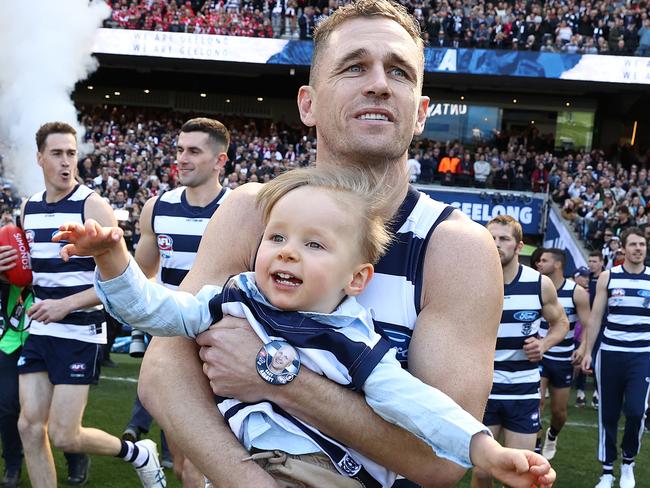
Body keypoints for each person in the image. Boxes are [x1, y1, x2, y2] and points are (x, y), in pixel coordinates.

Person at [140, 1, 508, 486]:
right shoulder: (253, 212)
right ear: (307, 103)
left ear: (420, 113)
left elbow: (441, 459)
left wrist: (278, 373)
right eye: (355, 66)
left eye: (398, 71)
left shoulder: (454, 247)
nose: (378, 82)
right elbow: (163, 372)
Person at [57, 166, 555, 488]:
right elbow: (154, 312)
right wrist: (113, 260)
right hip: (250, 464)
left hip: (324, 474)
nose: (288, 250)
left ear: (357, 278)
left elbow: (415, 402)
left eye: (314, 245)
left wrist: (482, 447)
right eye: (276, 236)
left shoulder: (350, 338)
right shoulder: (233, 297)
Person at [16, 122, 166, 488]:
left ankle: (139, 453)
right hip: (39, 329)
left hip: (80, 331)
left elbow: (124, 279)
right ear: (40, 158)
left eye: (71, 153)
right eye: (57, 154)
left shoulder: (93, 205)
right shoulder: (28, 208)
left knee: (65, 436)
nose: (67, 162)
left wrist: (65, 304)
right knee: (29, 427)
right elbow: (30, 273)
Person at [121, 118, 231, 486]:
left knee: (225, 466)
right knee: (186, 468)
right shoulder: (157, 208)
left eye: (193, 151)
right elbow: (141, 275)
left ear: (220, 161)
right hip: (176, 346)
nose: (182, 159)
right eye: (180, 150)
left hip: (226, 347)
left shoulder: (241, 209)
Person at [472, 215, 568, 488]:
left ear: (519, 246)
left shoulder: (539, 284)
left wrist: (544, 344)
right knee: (481, 472)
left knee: (522, 474)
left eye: (504, 239)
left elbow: (561, 322)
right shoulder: (470, 282)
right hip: (483, 391)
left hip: (523, 392)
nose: (496, 244)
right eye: (491, 238)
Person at [581, 227, 650, 488]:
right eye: (633, 244)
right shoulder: (609, 277)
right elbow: (596, 317)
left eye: (642, 244)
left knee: (636, 411)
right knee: (608, 414)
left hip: (642, 355)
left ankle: (628, 462)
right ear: (623, 248)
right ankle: (608, 471)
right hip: (610, 354)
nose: (638, 249)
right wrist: (588, 351)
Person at [535, 249, 591, 460]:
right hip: (539, 355)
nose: (539, 263)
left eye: (544, 260)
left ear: (557, 264)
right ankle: (537, 445)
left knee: (559, 412)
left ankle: (552, 435)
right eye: (539, 260)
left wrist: (583, 347)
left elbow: (588, 324)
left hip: (564, 358)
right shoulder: (536, 286)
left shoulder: (576, 292)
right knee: (536, 403)